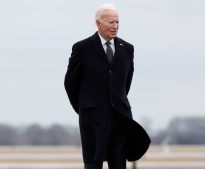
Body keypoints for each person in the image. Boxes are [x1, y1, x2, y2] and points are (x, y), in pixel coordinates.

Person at [64, 3, 150, 169]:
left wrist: (117, 102)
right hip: (93, 120)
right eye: (111, 22)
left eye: (117, 22)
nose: (115, 26)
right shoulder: (82, 48)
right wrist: (85, 107)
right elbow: (70, 84)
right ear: (98, 23)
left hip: (120, 119)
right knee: (92, 165)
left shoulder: (127, 49)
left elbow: (125, 83)